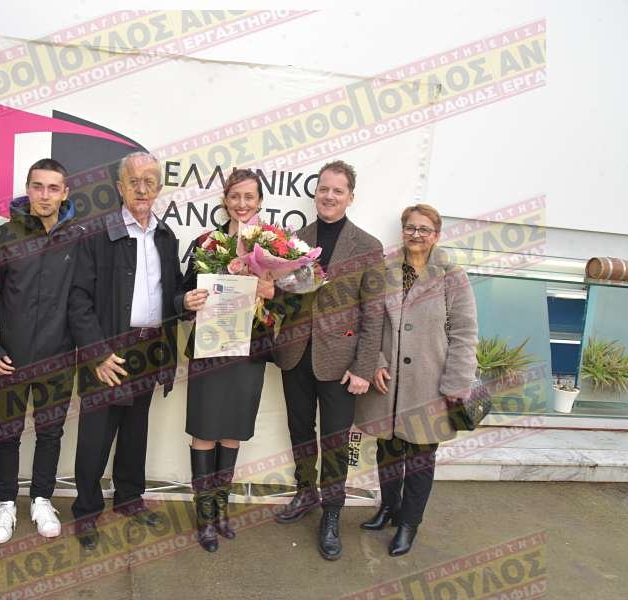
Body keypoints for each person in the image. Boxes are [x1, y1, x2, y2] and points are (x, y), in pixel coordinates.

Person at [68, 152, 184, 549]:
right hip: (109, 350)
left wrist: (188, 301)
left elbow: (174, 291)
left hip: (149, 348)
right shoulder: (97, 235)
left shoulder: (167, 237)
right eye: (134, 181)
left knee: (136, 431)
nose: (142, 188)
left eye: (149, 181)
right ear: (120, 187)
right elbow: (78, 300)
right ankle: (86, 512)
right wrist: (98, 354)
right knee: (96, 436)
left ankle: (129, 499)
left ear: (159, 188)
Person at [272, 160, 385, 561]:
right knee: (300, 431)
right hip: (295, 355)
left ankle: (332, 513)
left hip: (341, 364)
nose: (329, 196)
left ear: (350, 197)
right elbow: (285, 298)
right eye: (324, 189)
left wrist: (364, 368)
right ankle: (305, 493)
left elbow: (374, 313)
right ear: (315, 193)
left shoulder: (368, 246)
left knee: (334, 441)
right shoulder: (294, 240)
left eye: (338, 190)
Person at [356, 204, 477, 557]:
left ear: (436, 235)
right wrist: (375, 361)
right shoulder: (385, 270)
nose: (416, 234)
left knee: (421, 457)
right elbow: (369, 319)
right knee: (388, 449)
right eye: (410, 227)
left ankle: (409, 524)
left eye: (424, 229)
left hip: (430, 383)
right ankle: (389, 508)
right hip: (387, 383)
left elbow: (465, 333)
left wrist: (456, 385)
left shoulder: (452, 276)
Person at [0, 158, 82, 544]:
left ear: (65, 193)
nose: (45, 195)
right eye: (38, 186)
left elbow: (83, 300)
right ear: (27, 189)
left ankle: (42, 499)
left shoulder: (78, 238)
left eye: (53, 188)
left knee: (50, 432)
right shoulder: (2, 237)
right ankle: (5, 502)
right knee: (7, 433)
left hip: (58, 357)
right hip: (10, 360)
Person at [179, 168, 276, 552]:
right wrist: (189, 301)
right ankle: (204, 517)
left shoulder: (274, 249)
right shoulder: (207, 242)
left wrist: (272, 292)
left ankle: (221, 511)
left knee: (232, 430)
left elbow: (292, 302)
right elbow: (182, 294)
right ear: (225, 200)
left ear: (259, 202)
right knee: (205, 431)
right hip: (209, 350)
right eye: (235, 196)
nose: (242, 203)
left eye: (249, 197)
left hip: (247, 353)